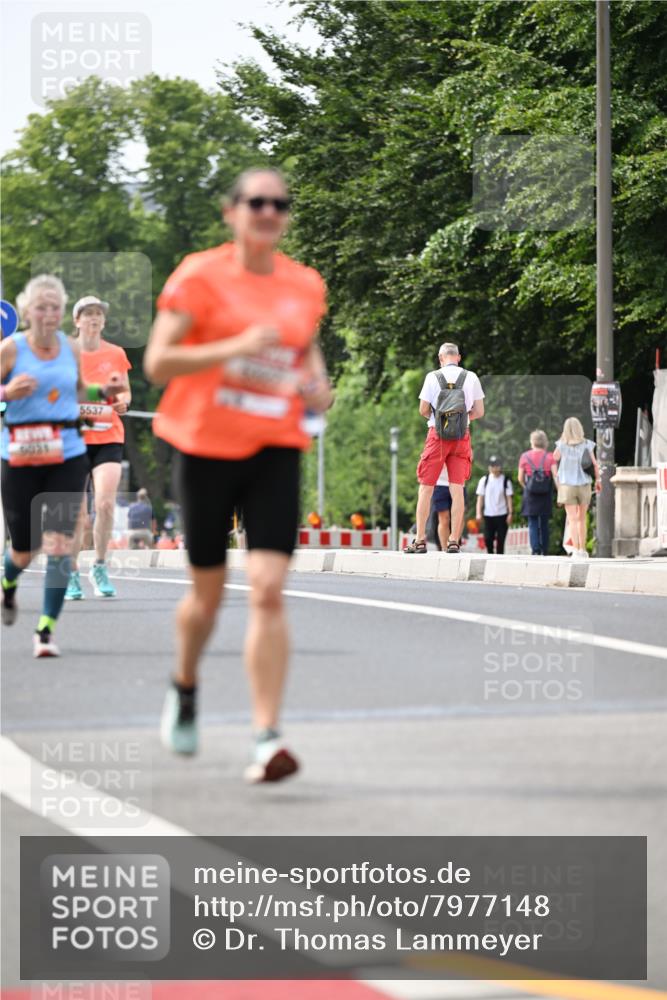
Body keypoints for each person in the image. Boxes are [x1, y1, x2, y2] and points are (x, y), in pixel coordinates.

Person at [144, 166, 332, 783]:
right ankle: (186, 684)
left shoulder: (304, 285)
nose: (269, 212)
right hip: (203, 445)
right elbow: (158, 361)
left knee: (270, 588)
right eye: (257, 202)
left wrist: (315, 387)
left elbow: (309, 363)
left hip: (274, 445)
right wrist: (235, 347)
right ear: (232, 212)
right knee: (208, 593)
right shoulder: (200, 276)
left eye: (279, 203)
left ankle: (266, 736)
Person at [1, 275, 122, 655]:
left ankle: (46, 631)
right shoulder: (10, 349)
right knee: (24, 548)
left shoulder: (70, 350)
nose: (49, 313)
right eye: (42, 307)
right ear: (27, 311)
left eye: (55, 307)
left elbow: (76, 388)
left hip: (67, 451)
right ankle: (8, 584)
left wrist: (103, 392)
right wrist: (7, 392)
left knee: (58, 542)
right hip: (20, 453)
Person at [65, 296, 132, 600]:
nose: (94, 319)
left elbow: (125, 391)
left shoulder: (115, 353)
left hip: (108, 436)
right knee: (80, 515)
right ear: (77, 321)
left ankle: (100, 565)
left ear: (104, 321)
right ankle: (71, 572)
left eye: (99, 315)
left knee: (105, 505)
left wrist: (123, 402)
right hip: (74, 439)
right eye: (88, 314)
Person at [405, 343, 484, 554]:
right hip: (461, 437)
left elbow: (423, 409)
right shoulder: (471, 377)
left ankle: (420, 539)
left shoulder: (433, 377)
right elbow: (479, 411)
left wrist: (439, 420)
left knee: (426, 487)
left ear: (441, 358)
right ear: (458, 357)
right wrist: (462, 420)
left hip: (437, 437)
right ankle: (454, 541)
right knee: (457, 489)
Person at [553, 417, 601, 559]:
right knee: (581, 519)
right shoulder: (587, 444)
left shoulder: (561, 445)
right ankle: (583, 550)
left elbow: (554, 457)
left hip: (567, 485)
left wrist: (563, 438)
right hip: (584, 484)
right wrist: (598, 480)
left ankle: (575, 550)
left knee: (572, 519)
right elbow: (595, 464)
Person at [518, 429, 558, 555]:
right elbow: (556, 476)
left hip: (530, 493)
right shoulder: (550, 456)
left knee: (532, 522)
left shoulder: (525, 456)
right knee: (544, 522)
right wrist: (560, 493)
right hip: (545, 493)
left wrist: (527, 487)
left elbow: (520, 478)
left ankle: (535, 550)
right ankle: (544, 550)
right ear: (545, 442)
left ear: (532, 442)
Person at [475, 456, 513, 554]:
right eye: (492, 465)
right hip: (488, 515)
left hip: (502, 514)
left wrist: (510, 513)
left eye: (496, 465)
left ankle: (500, 560)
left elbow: (509, 498)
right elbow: (480, 498)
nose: (494, 468)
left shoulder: (505, 481)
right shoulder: (484, 480)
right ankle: (490, 556)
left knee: (501, 540)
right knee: (488, 539)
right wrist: (478, 513)